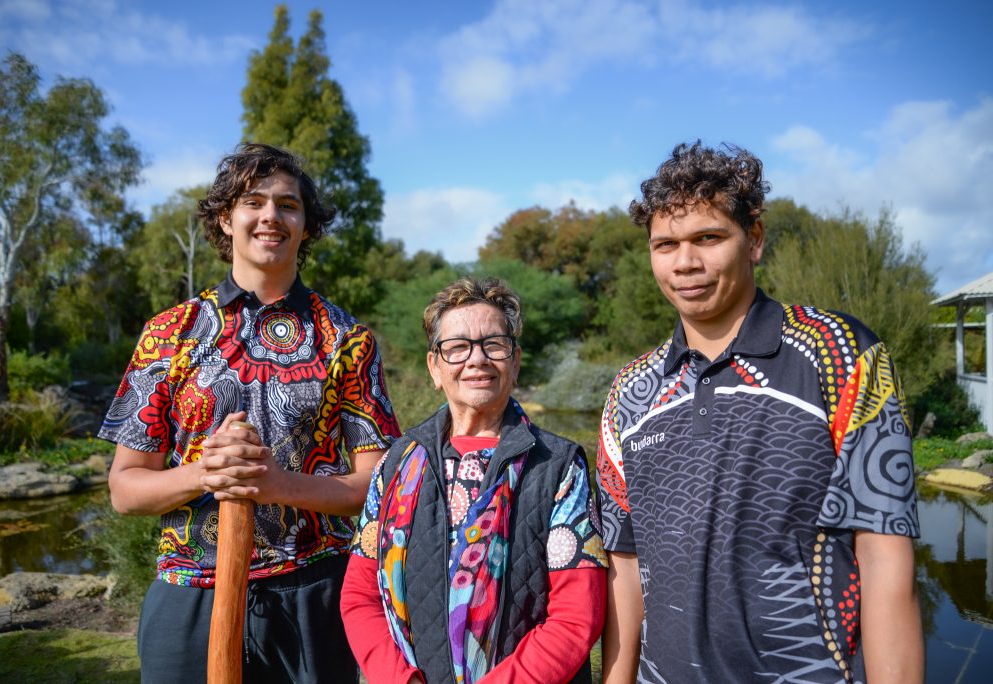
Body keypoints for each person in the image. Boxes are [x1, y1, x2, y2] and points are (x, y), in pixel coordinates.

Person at [597, 141, 923, 683]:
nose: (685, 262)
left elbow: (886, 558)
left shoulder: (841, 353)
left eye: (708, 238)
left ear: (755, 240)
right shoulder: (631, 390)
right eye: (666, 244)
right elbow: (624, 570)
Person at [99, 142, 400, 683]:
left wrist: (275, 483)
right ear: (225, 218)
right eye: (253, 202)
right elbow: (125, 489)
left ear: (306, 225)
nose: (270, 216)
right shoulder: (168, 334)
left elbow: (374, 486)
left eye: (288, 205)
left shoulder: (347, 340)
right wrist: (205, 474)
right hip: (189, 595)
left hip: (314, 594)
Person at [340, 276, 607, 684]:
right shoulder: (396, 464)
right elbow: (360, 598)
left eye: (494, 345)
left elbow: (576, 614)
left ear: (515, 362)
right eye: (458, 347)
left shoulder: (558, 465)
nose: (477, 359)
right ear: (435, 367)